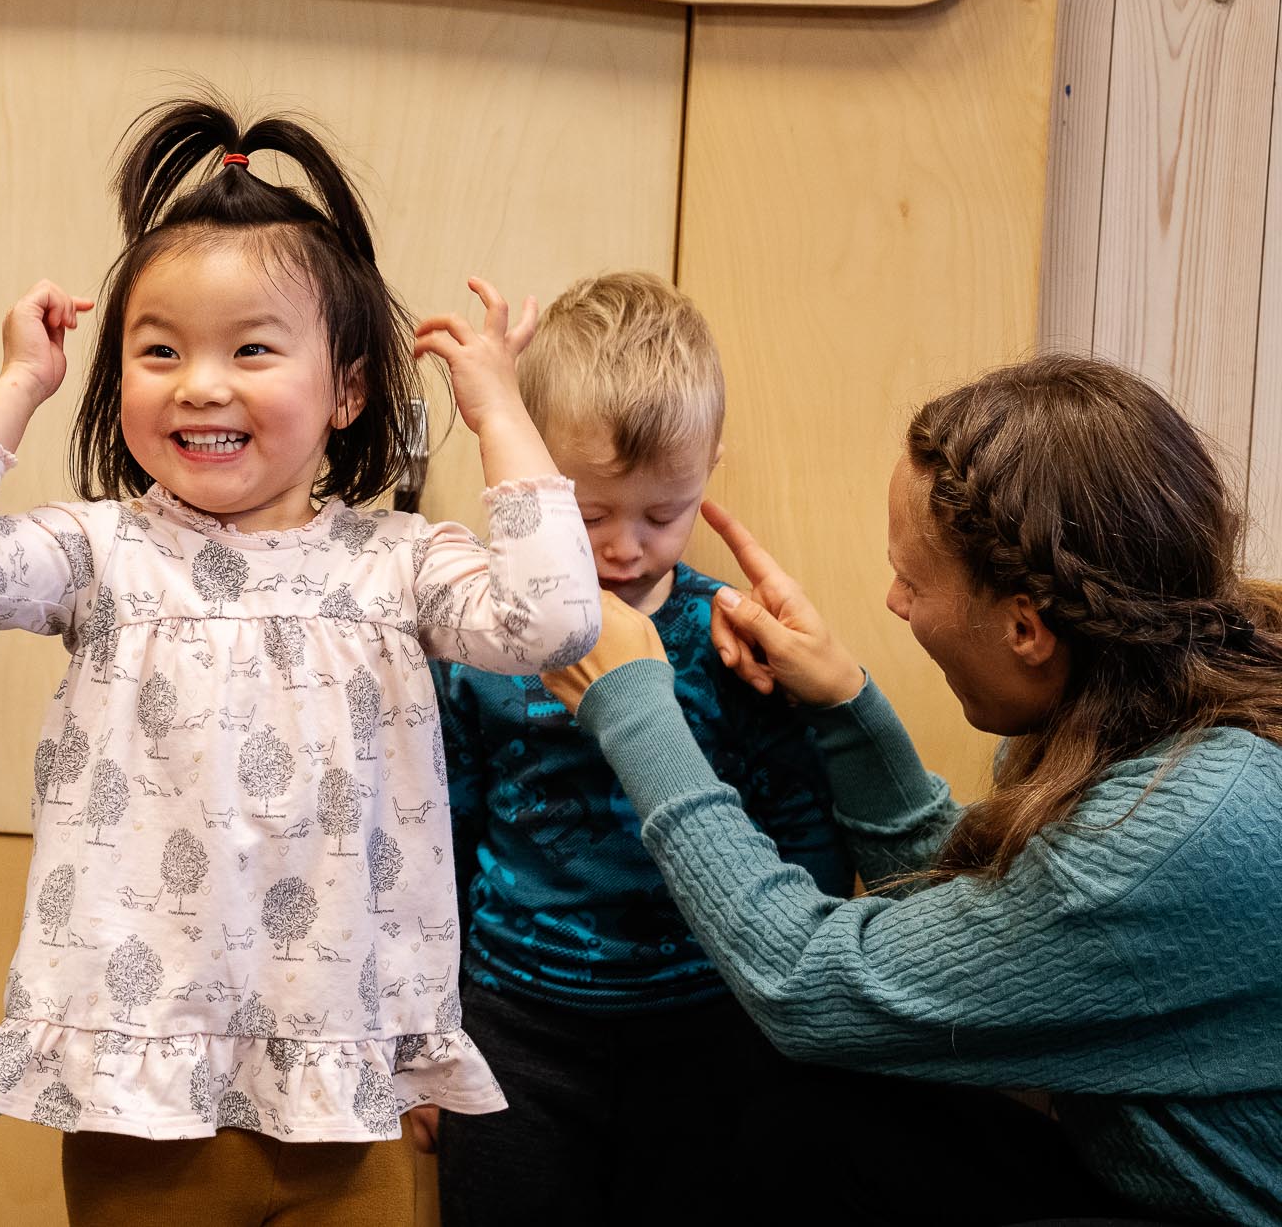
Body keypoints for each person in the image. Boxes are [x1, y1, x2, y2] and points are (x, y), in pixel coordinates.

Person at [0, 97, 599, 1225]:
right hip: (139, 1091)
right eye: (159, 351)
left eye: (251, 349)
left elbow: (553, 624)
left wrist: (498, 407)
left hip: (344, 1086)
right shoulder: (99, 554)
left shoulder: (398, 566)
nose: (200, 383)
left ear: (347, 391)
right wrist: (17, 382)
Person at [546, 355, 1282, 1225]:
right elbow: (987, 931)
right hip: (1130, 1178)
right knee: (801, 1109)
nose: (893, 603)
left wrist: (637, 714)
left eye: (914, 580)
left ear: (1025, 627)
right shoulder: (1133, 707)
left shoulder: (1186, 823)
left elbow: (805, 982)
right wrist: (844, 704)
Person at [425, 272, 850, 1223]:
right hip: (515, 1027)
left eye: (665, 514)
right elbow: (436, 835)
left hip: (707, 1026)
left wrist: (804, 1020)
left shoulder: (734, 643)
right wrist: (423, 1026)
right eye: (587, 514)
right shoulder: (479, 637)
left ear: (708, 470)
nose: (624, 547)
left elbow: (801, 831)